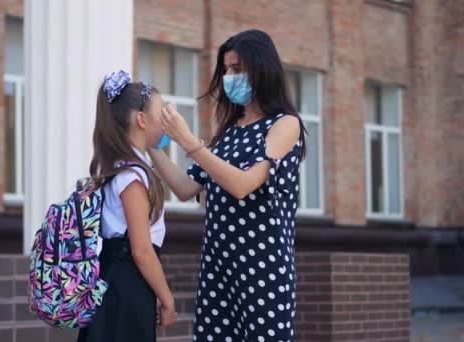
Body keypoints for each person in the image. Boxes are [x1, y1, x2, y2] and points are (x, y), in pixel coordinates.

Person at [149, 29, 306, 341]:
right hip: (218, 268)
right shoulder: (229, 131)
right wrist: (148, 145)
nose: (229, 77)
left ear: (263, 69)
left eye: (237, 69)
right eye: (225, 70)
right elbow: (185, 188)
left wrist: (188, 141)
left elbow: (243, 185)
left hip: (262, 271)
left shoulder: (285, 124)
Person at [77, 70, 177, 342]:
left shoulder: (122, 167)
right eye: (161, 113)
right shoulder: (131, 176)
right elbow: (142, 250)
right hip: (124, 287)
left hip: (119, 282)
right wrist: (166, 297)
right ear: (142, 120)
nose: (166, 120)